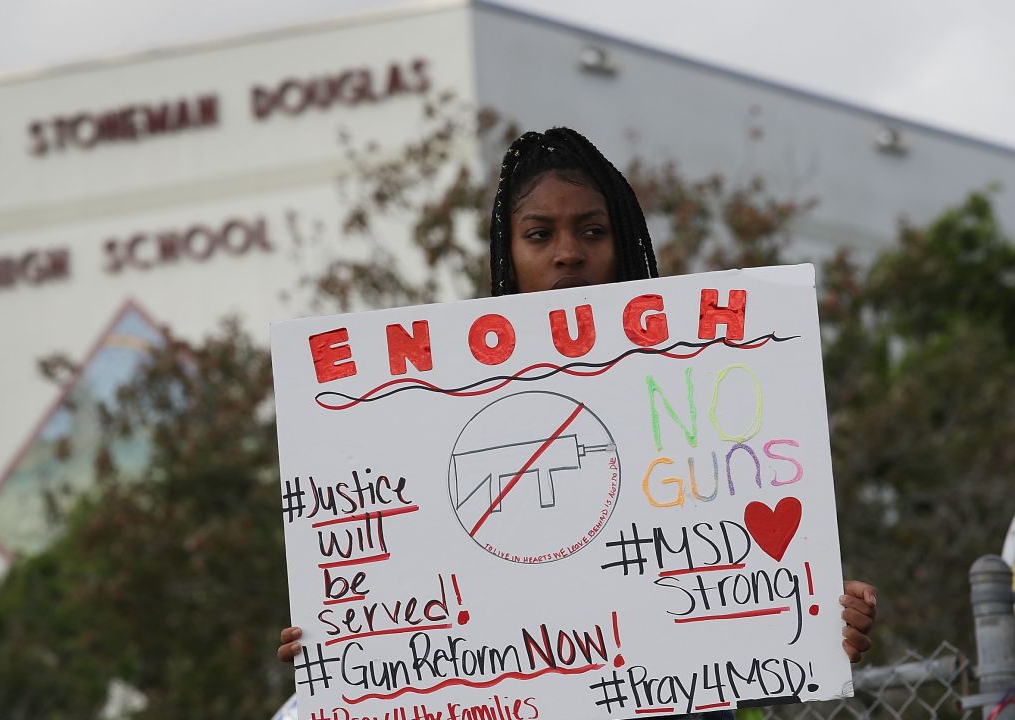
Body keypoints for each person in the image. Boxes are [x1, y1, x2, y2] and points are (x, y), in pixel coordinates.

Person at [277, 126, 878, 690]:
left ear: (623, 240)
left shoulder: (696, 376)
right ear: (508, 252)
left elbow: (744, 589)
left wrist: (817, 617)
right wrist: (344, 641)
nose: (568, 253)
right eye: (540, 235)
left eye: (592, 231)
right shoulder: (439, 406)